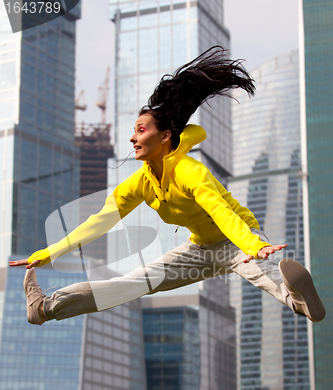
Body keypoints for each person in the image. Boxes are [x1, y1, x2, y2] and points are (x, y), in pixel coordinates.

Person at [9, 46, 325, 324]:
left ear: (163, 137)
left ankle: (297, 300)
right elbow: (99, 222)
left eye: (141, 129)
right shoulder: (140, 183)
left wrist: (254, 246)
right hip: (198, 249)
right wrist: (50, 252)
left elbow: (222, 212)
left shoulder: (189, 171)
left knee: (261, 271)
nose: (133, 137)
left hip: (236, 240)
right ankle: (44, 307)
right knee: (131, 283)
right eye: (133, 130)